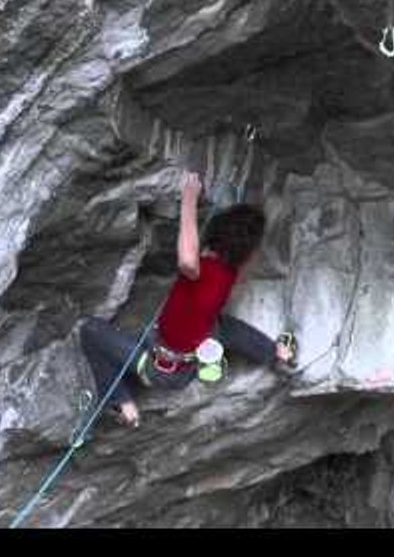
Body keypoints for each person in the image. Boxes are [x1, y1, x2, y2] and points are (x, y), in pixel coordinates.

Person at [78, 171, 297, 428]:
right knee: (221, 325)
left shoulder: (203, 272)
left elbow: (187, 261)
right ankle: (277, 354)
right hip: (193, 349)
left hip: (162, 370)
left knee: (89, 331)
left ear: (218, 233)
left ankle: (121, 402)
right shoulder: (228, 272)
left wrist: (189, 200)